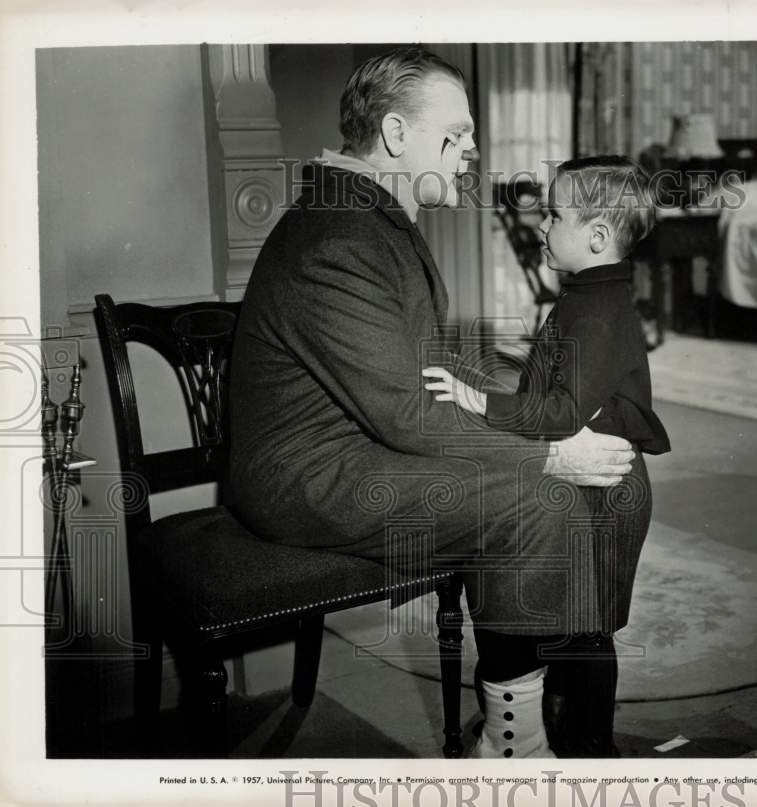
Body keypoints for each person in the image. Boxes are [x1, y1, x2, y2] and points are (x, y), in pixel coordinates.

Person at [227, 47, 635, 758]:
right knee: (538, 496)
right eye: (458, 134)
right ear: (394, 136)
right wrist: (550, 453)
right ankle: (516, 750)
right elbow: (406, 414)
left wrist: (525, 425)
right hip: (305, 475)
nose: (474, 150)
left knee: (579, 486)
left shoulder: (370, 216)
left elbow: (420, 383)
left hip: (359, 443)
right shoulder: (339, 236)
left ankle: (556, 721)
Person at [423, 156, 670, 756]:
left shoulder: (598, 311)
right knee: (566, 625)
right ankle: (558, 742)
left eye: (555, 214)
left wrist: (477, 400)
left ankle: (593, 752)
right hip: (586, 485)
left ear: (597, 236)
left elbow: (558, 412)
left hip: (608, 491)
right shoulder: (585, 296)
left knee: (586, 633)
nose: (542, 224)